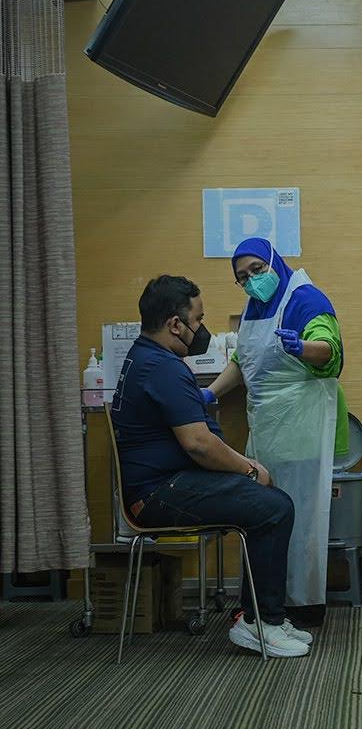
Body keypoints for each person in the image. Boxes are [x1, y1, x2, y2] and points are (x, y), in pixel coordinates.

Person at [113, 275, 309, 658]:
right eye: (198, 320)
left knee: (265, 504)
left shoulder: (145, 357)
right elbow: (199, 445)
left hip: (162, 485)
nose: (201, 328)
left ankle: (261, 616)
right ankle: (262, 624)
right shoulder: (162, 368)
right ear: (175, 324)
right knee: (274, 507)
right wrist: (250, 469)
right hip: (158, 494)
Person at [206, 238, 345, 629]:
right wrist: (210, 393)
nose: (252, 281)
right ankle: (267, 602)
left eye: (257, 269)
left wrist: (302, 348)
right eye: (242, 277)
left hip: (301, 425)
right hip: (266, 428)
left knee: (299, 516)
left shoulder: (306, 299)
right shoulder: (255, 308)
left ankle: (301, 604)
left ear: (274, 262)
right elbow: (243, 360)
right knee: (264, 514)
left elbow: (330, 349)